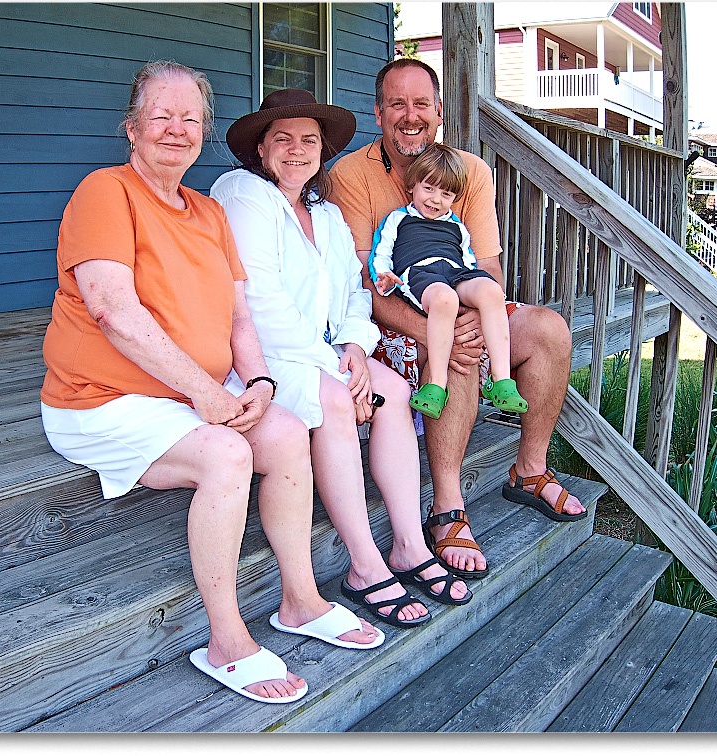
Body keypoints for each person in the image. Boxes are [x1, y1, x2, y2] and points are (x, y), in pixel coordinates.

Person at [39, 62, 381, 706]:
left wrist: (258, 380)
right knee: (227, 454)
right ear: (131, 128)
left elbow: (240, 317)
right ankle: (227, 640)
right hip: (103, 402)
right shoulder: (105, 192)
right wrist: (206, 391)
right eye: (161, 116)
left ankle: (301, 601)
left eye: (191, 118)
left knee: (285, 432)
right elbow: (113, 310)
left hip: (184, 397)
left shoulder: (207, 211)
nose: (177, 129)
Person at [210, 88, 474, 628]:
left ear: (321, 150)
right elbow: (260, 301)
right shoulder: (242, 194)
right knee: (335, 397)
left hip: (324, 352)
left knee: (393, 388)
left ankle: (408, 544)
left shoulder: (326, 214)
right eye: (283, 139)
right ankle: (364, 563)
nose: (297, 150)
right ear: (260, 149)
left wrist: (354, 348)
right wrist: (338, 369)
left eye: (309, 140)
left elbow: (356, 291)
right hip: (259, 357)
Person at [329, 58, 587, 579]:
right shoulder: (350, 175)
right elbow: (361, 284)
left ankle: (529, 469)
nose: (410, 116)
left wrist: (467, 319)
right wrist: (437, 331)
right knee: (456, 355)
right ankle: (447, 505)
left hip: (459, 299)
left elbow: (487, 264)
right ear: (378, 113)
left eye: (421, 104)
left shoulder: (469, 171)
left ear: (439, 111)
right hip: (390, 320)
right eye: (397, 105)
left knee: (548, 329)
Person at [370, 142, 528, 420]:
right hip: (419, 274)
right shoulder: (397, 219)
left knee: (491, 291)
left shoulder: (457, 226)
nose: (435, 200)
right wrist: (383, 276)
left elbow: (468, 263)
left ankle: (502, 380)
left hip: (455, 272)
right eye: (429, 188)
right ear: (412, 185)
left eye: (446, 194)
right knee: (445, 299)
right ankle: (436, 385)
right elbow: (380, 254)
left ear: (455, 197)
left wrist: (476, 298)